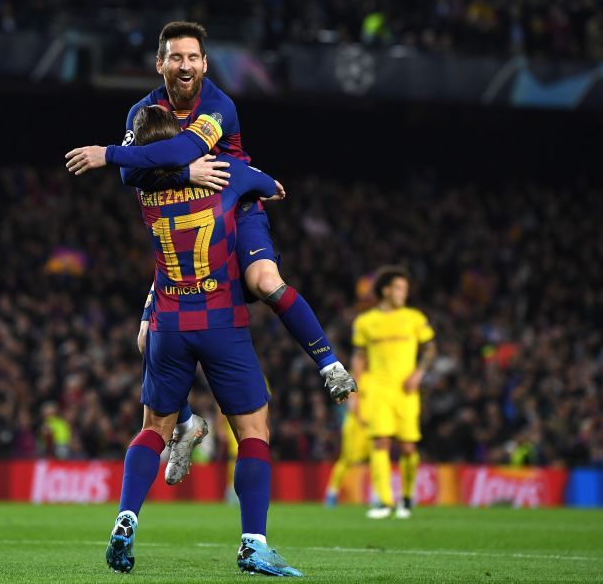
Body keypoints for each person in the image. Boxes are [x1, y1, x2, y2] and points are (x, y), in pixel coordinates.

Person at [65, 21, 355, 482]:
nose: (185, 66)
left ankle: (329, 363)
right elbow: (132, 178)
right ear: (160, 63)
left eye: (193, 58)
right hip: (186, 223)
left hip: (235, 207)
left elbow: (180, 149)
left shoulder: (218, 104)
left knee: (264, 282)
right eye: (176, 57)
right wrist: (184, 175)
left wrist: (109, 153)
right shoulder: (142, 111)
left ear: (204, 64)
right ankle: (186, 424)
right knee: (147, 339)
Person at [102, 105, 354, 576]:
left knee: (153, 430)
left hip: (168, 320)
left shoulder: (142, 188)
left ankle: (126, 516)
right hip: (219, 319)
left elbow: (138, 165)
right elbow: (270, 185)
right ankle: (253, 544)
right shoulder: (224, 173)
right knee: (253, 434)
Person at [352, 266, 436, 519]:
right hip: (377, 389)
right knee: (380, 442)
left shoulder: (414, 318)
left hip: (406, 391)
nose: (404, 293)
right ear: (386, 290)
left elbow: (430, 349)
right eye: (400, 288)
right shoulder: (365, 322)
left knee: (408, 446)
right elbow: (359, 358)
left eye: (405, 289)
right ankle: (385, 502)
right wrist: (354, 394)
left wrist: (419, 372)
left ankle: (407, 498)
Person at [323, 389, 371, 506]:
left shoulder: (376, 377)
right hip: (356, 425)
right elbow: (352, 403)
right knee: (347, 460)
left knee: (375, 458)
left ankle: (378, 497)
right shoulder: (356, 378)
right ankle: (331, 494)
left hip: (372, 424)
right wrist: (361, 418)